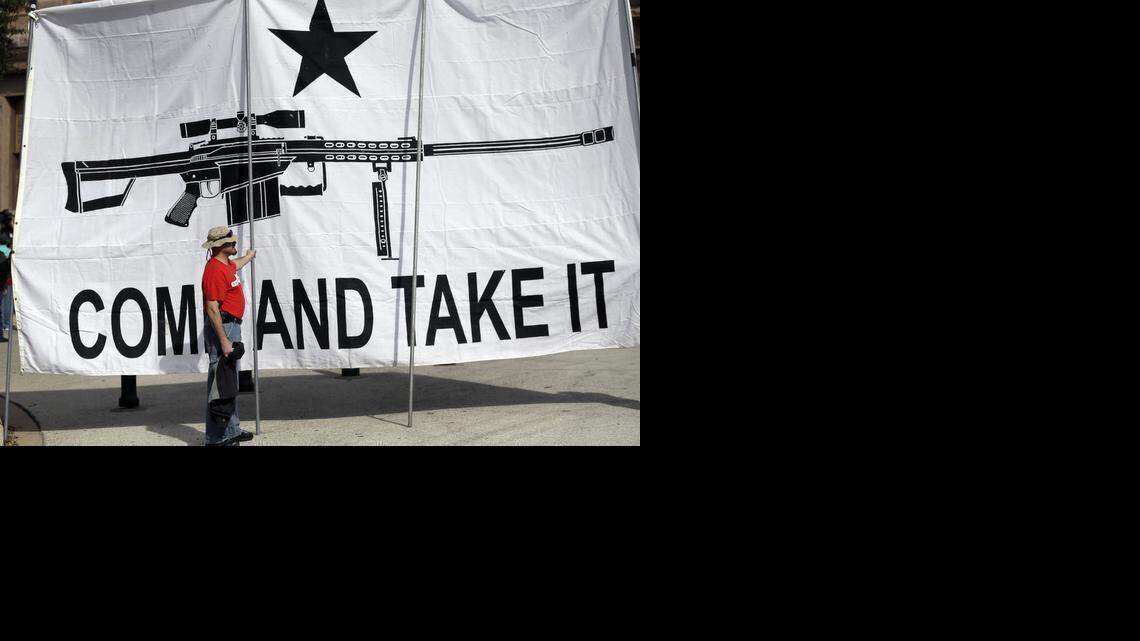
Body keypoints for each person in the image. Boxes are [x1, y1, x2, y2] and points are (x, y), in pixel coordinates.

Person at [201, 225, 257, 446]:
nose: (235, 244)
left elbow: (236, 266)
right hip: (224, 327)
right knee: (219, 383)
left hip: (232, 325)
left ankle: (231, 430)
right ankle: (215, 438)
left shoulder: (226, 265)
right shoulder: (214, 270)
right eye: (232, 243)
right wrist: (224, 340)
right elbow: (212, 309)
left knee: (229, 381)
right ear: (220, 246)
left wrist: (249, 257)